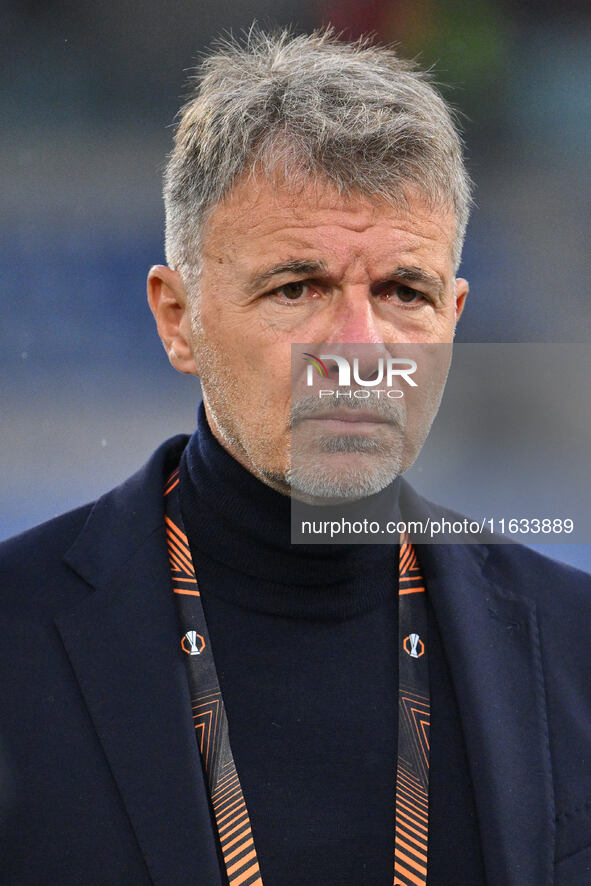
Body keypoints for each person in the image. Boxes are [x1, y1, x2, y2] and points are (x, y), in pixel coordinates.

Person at [1, 27, 590, 886]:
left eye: (402, 292)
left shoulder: (575, 643)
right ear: (177, 318)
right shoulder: (13, 634)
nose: (357, 348)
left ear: (454, 316)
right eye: (296, 287)